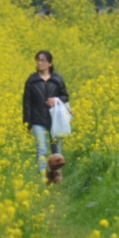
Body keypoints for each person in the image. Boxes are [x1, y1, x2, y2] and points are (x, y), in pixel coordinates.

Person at [22, 50, 70, 178]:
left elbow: (65, 96)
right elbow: (27, 103)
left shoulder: (57, 79)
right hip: (38, 121)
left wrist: (56, 100)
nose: (39, 62)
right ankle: (44, 178)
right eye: (38, 60)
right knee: (41, 150)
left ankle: (57, 176)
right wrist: (27, 123)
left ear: (50, 63)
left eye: (43, 60)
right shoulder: (32, 80)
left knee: (56, 150)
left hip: (55, 120)